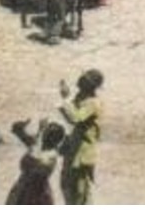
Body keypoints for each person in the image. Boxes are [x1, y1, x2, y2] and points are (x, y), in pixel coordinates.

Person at [58, 69, 104, 204]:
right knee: (70, 189)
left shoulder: (93, 103)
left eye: (83, 80)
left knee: (79, 193)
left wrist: (65, 99)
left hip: (82, 155)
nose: (79, 81)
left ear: (89, 85)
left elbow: (76, 118)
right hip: (75, 151)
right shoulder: (83, 99)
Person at [6, 119, 63, 204]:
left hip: (36, 195)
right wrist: (20, 128)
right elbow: (19, 133)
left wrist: (39, 132)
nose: (44, 136)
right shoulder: (38, 146)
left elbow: (35, 167)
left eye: (46, 134)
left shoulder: (50, 156)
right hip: (22, 190)